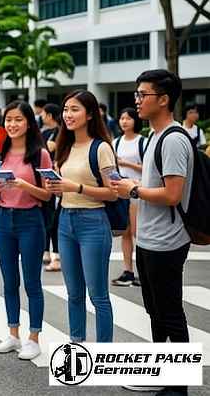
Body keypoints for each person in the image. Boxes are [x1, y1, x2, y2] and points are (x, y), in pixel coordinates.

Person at [112, 69, 195, 396]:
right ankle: (161, 373)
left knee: (170, 312)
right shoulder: (157, 137)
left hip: (167, 241)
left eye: (143, 95)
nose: (137, 101)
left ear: (163, 99)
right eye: (136, 94)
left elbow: (173, 194)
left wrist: (133, 190)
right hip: (149, 238)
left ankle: (178, 387)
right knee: (156, 311)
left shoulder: (173, 139)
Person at [44, 90, 118, 344]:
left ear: (89, 114)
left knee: (98, 295)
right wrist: (54, 186)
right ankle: (77, 343)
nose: (67, 114)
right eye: (65, 109)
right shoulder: (65, 146)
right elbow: (62, 185)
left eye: (74, 109)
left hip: (93, 222)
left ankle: (104, 352)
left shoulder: (101, 148)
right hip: (65, 220)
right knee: (74, 293)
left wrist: (75, 187)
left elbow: (113, 193)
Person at [0, 102, 53, 361]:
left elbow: (48, 195)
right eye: (8, 119)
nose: (12, 124)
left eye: (18, 119)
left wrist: (23, 184)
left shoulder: (40, 154)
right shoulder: (0, 151)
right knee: (9, 281)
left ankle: (34, 337)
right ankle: (13, 334)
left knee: (32, 282)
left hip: (30, 221)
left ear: (28, 122)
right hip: (4, 219)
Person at [111, 107, 146, 287]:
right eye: (122, 118)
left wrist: (126, 163)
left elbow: (149, 169)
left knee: (137, 232)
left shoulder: (143, 142)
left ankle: (143, 271)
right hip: (121, 192)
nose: (124, 121)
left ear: (135, 121)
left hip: (139, 191)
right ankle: (128, 271)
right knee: (125, 232)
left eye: (128, 118)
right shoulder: (115, 142)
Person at [40, 102, 64, 272]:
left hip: (60, 181)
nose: (41, 116)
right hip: (46, 178)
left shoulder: (62, 133)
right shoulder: (45, 133)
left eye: (43, 113)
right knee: (47, 217)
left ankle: (57, 255)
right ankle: (46, 251)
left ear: (49, 115)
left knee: (55, 220)